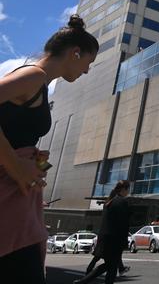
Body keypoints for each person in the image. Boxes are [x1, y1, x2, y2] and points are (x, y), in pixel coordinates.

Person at [0, 15, 98, 283]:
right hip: (8, 194)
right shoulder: (33, 75)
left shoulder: (39, 84)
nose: (87, 71)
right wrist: (17, 165)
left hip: (17, 196)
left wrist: (32, 158)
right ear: (75, 53)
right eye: (88, 63)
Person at [74, 180, 131, 284]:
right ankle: (82, 282)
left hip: (105, 238)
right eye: (128, 189)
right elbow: (123, 224)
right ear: (123, 189)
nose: (128, 192)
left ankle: (83, 281)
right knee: (111, 265)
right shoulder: (122, 202)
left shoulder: (109, 202)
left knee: (110, 265)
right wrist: (124, 241)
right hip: (114, 239)